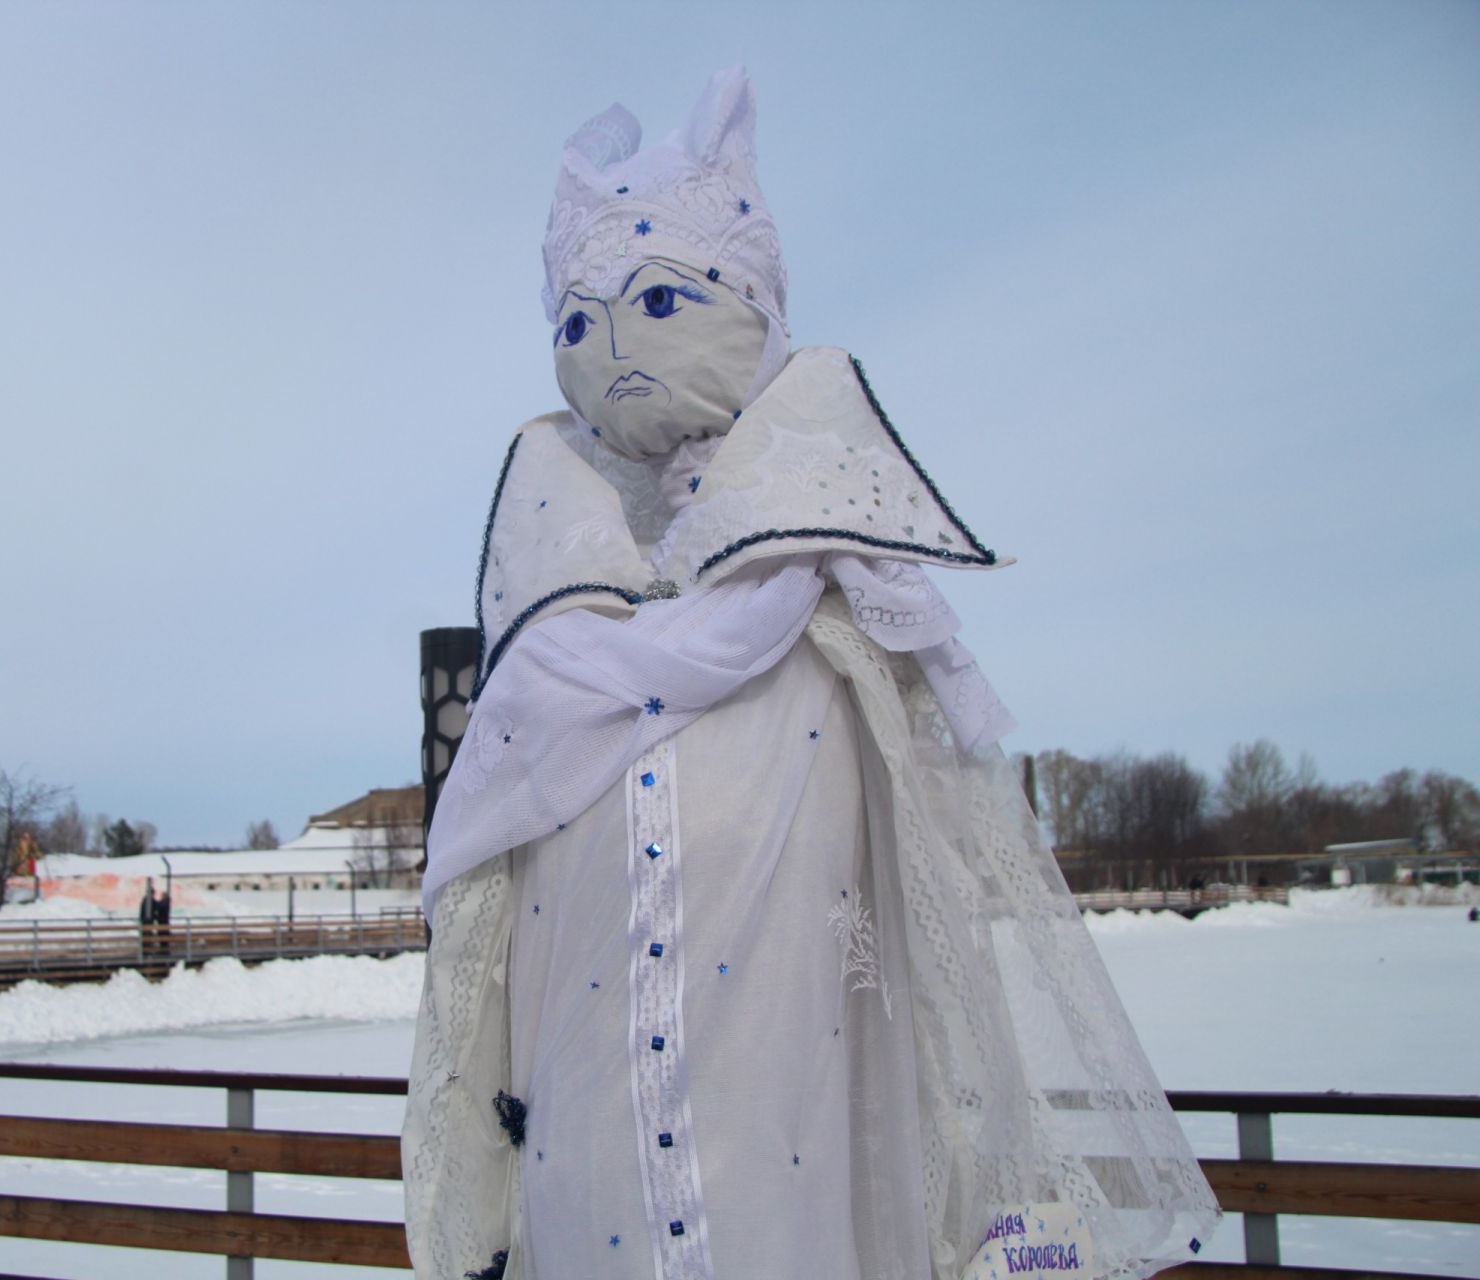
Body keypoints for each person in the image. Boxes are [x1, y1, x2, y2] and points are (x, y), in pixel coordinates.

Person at [404, 67, 1219, 1280]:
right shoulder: (542, 642)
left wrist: (989, 1212)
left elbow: (941, 931)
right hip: (580, 1204)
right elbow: (477, 951)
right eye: (579, 318)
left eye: (662, 297)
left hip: (799, 1206)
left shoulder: (840, 620)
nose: (615, 342)